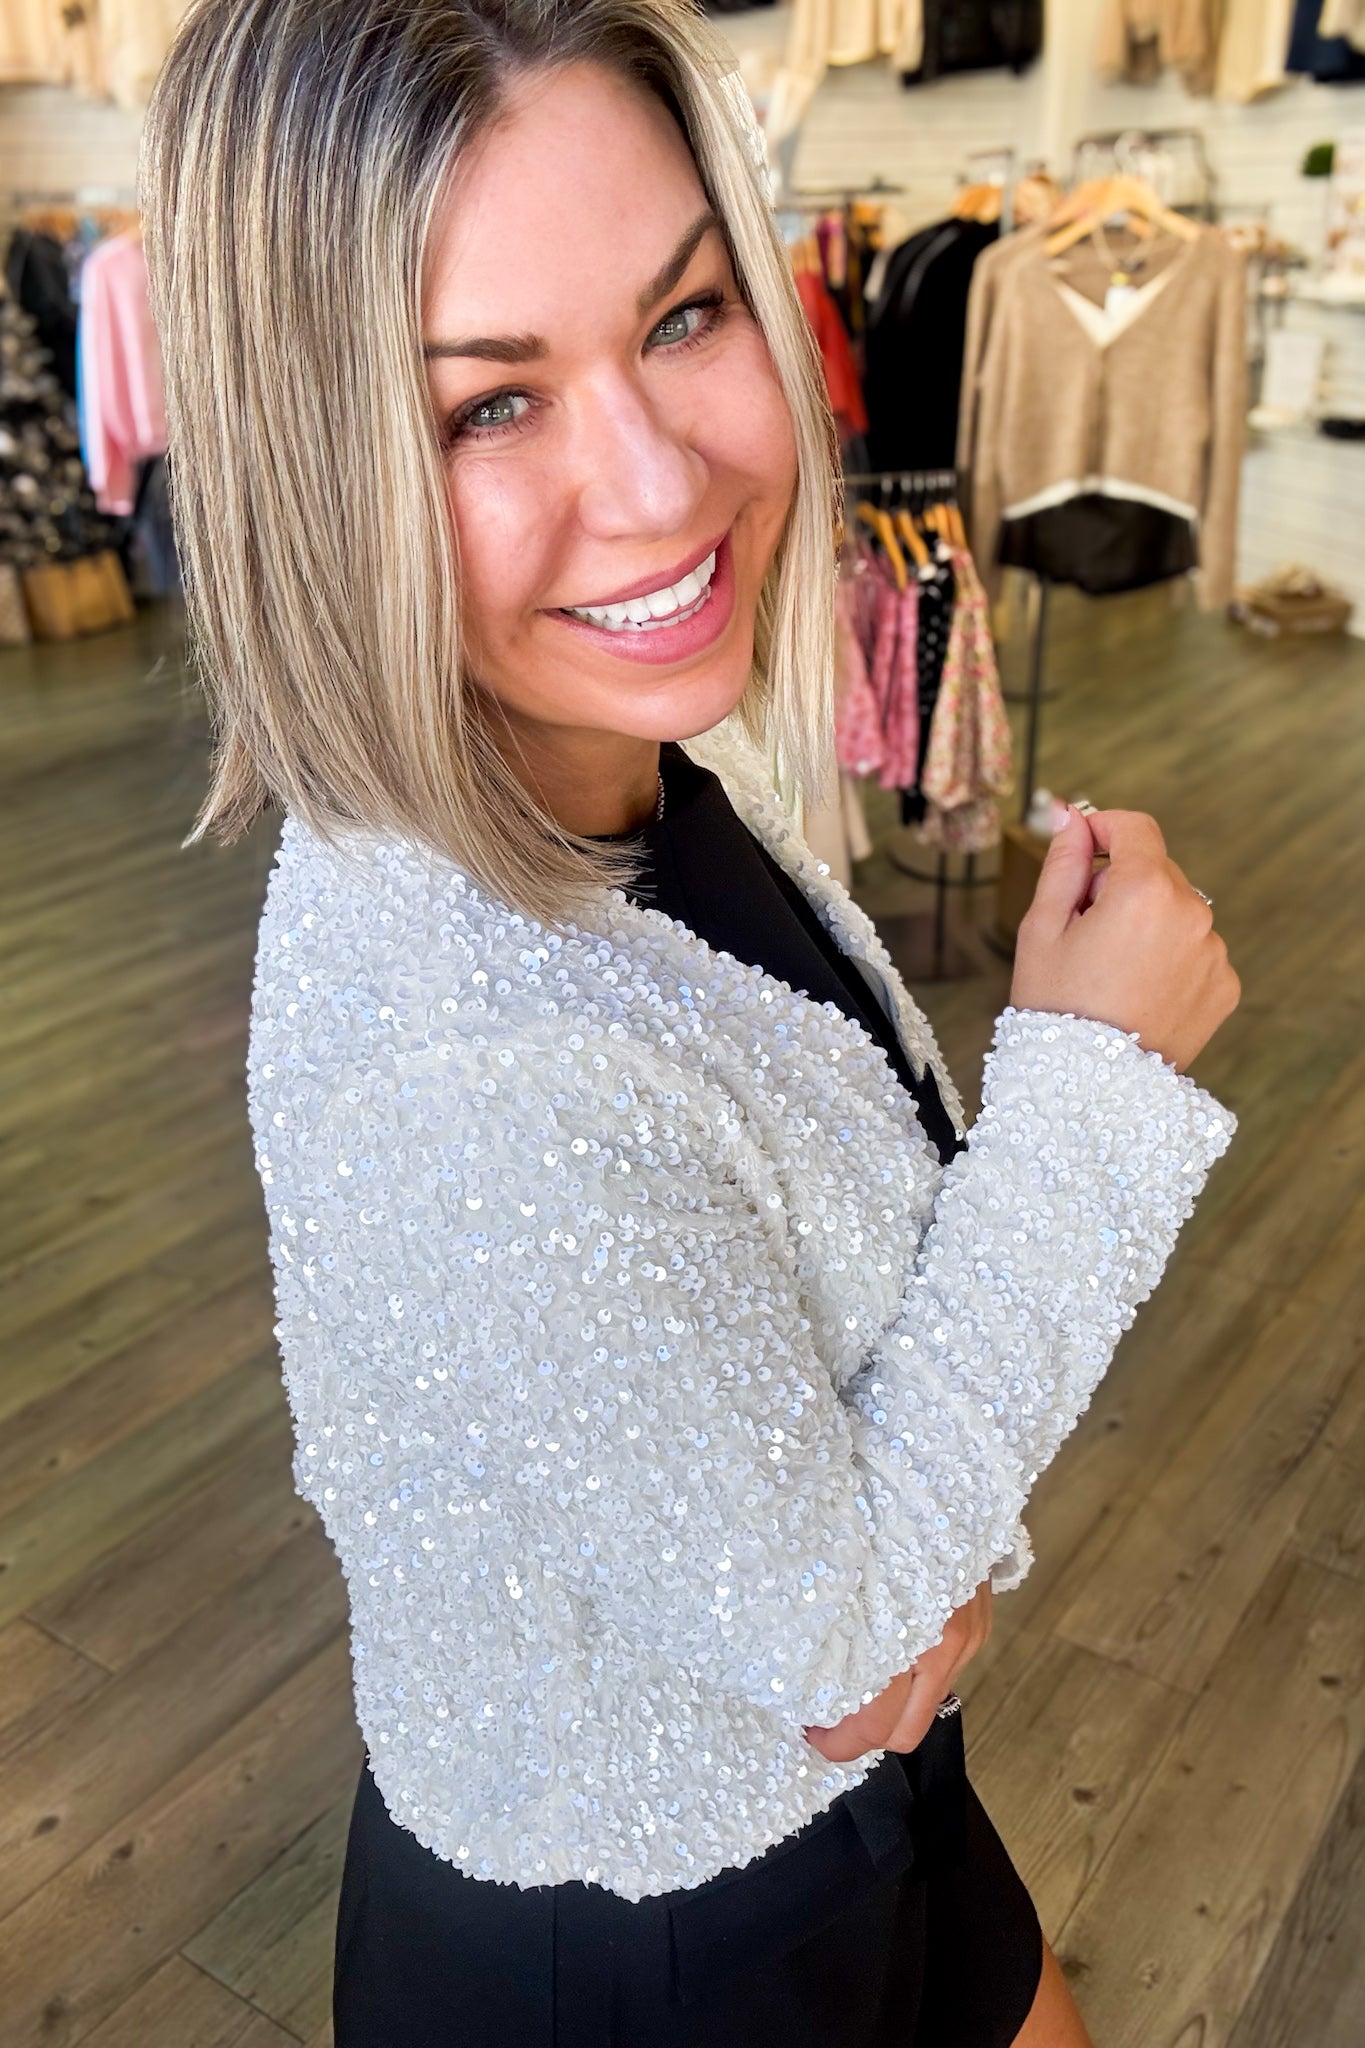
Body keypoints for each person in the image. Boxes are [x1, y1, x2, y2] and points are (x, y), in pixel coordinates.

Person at [139, 3, 1240, 2042]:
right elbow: (837, 1634)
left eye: (682, 315)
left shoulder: (615, 766)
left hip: (847, 1810)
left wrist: (893, 1573)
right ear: (316, 463)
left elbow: (839, 1592)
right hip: (653, 1939)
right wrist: (1097, 1083)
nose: (659, 482)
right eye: (488, 404)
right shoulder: (471, 1060)